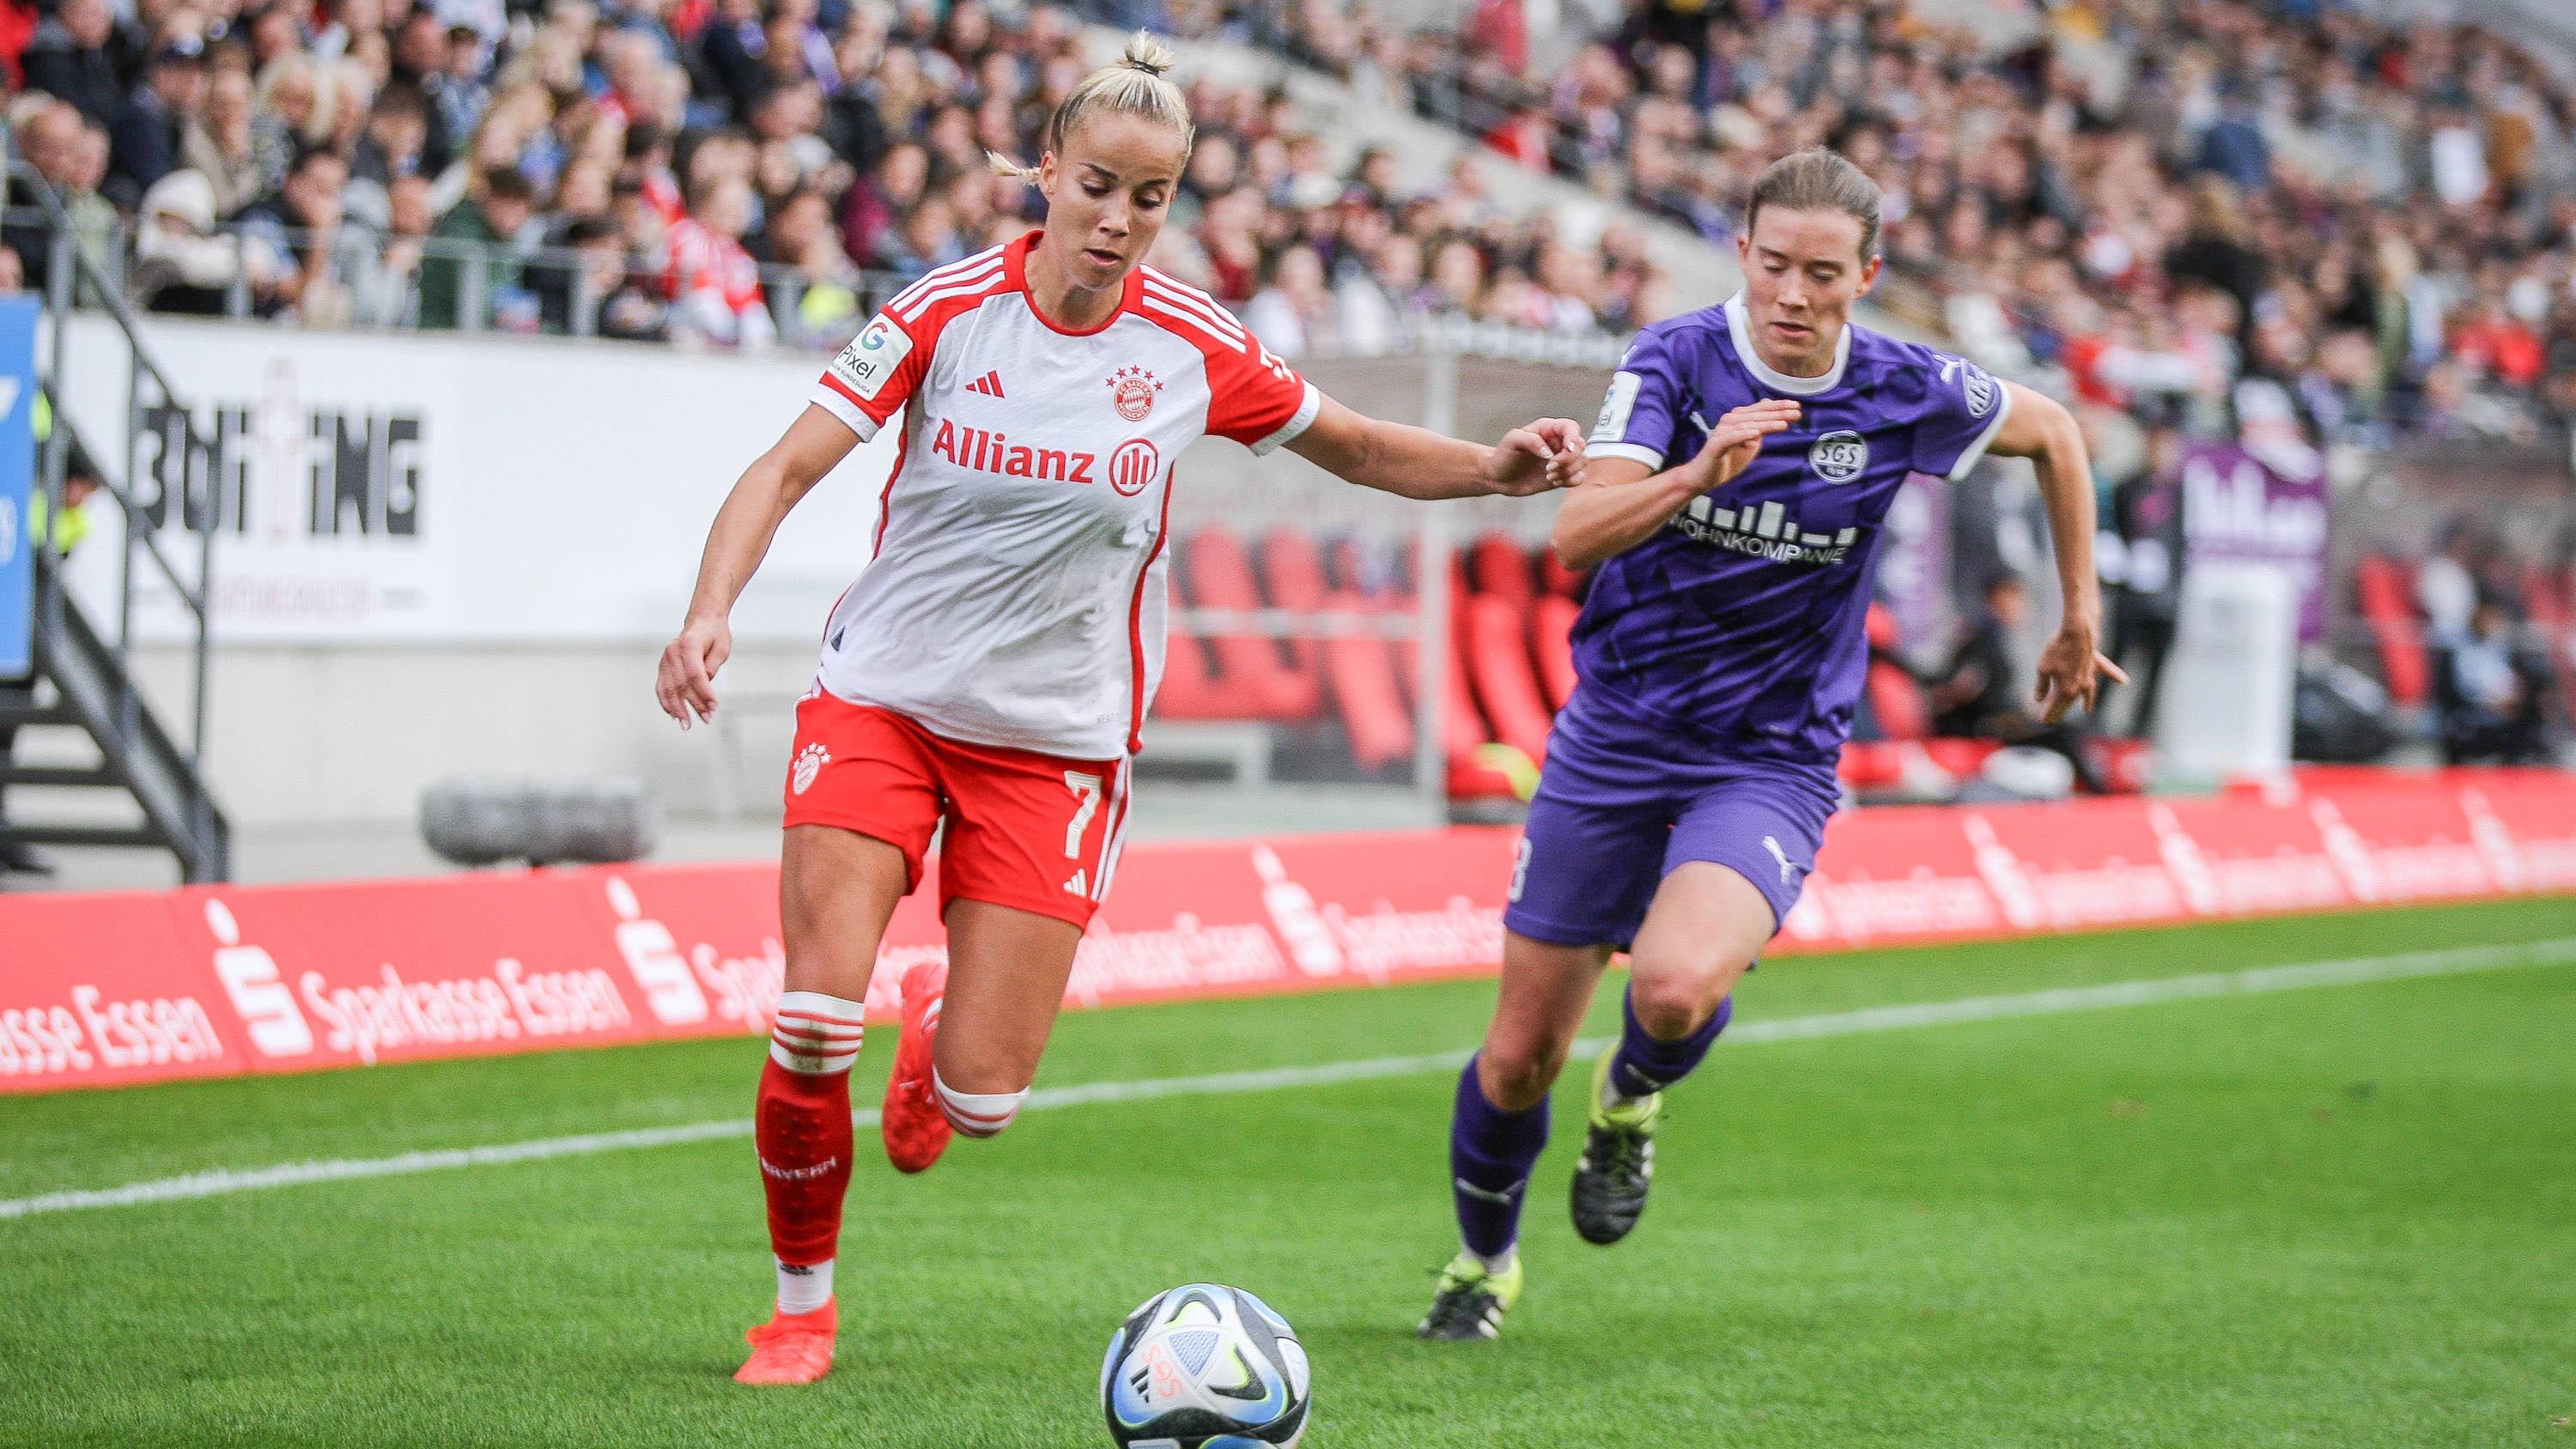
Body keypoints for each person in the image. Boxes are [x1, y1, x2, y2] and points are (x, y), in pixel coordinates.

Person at [652, 34, 1583, 1388]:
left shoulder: (1194, 345)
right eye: (1098, 184)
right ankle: (799, 1309)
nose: (1119, 218)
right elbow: (783, 466)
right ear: (1045, 171)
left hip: (1058, 750)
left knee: (979, 1102)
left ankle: (939, 1031)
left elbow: (1361, 447)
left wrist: (1499, 473)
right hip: (884, 707)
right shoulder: (944, 312)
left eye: (1150, 198)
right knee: (808, 1019)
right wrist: (708, 608)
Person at [1418, 149, 2121, 1341]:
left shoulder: (1905, 385)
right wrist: (1701, 471)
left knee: (1679, 988)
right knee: (1516, 1057)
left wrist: (2080, 614)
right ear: (1742, 255)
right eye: (1776, 266)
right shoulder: (1675, 360)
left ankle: (1631, 1101)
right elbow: (1577, 532)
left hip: (1772, 756)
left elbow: (2056, 433)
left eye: (1825, 274)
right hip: (1616, 741)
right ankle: (1484, 1266)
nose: (1794, 294)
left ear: (1868, 276)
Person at [1922, 571, 2109, 792]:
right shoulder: (1977, 639)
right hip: (1978, 726)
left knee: (2071, 725)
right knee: (2063, 734)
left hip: (1998, 720)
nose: (2020, 605)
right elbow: (1961, 689)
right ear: (1995, 598)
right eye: (2014, 597)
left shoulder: (1995, 638)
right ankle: (2100, 797)